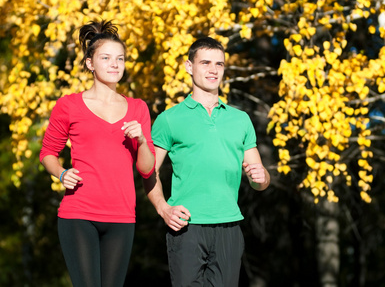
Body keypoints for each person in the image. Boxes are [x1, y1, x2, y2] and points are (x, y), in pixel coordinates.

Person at [144, 37, 270, 286]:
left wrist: (261, 177)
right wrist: (163, 208)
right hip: (186, 226)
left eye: (219, 64)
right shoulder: (169, 120)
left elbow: (260, 180)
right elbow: (149, 171)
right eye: (205, 62)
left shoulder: (241, 119)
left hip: (229, 227)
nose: (213, 70)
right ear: (189, 66)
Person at [40, 20, 156, 287]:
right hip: (78, 213)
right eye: (106, 58)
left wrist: (141, 139)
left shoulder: (138, 108)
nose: (114, 64)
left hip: (122, 216)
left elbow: (147, 169)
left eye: (120, 59)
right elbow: (48, 152)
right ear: (90, 63)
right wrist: (61, 172)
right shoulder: (69, 105)